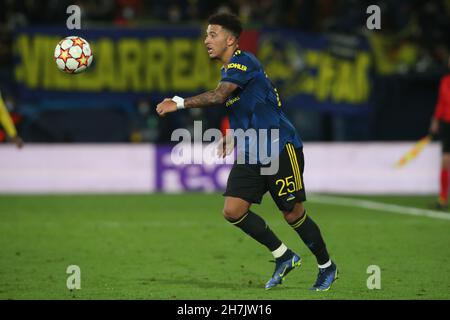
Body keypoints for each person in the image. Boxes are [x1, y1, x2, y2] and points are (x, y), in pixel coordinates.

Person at [156, 13, 337, 291]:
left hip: (279, 147)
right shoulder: (231, 70)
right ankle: (284, 255)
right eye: (206, 34)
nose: (206, 40)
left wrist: (178, 103)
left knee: (292, 213)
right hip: (252, 150)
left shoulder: (244, 61)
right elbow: (252, 108)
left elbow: (219, 96)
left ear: (230, 39)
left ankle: (327, 266)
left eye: (212, 34)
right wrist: (233, 136)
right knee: (233, 210)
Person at [429, 56, 450, 210]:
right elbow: (441, 102)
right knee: (445, 160)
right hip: (447, 123)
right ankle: (443, 198)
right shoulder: (445, 81)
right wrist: (436, 120)